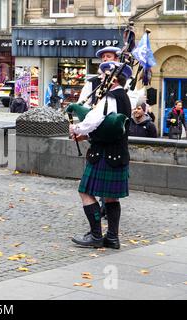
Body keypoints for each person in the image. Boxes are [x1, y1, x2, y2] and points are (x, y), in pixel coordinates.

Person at [69, 61, 133, 250]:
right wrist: (87, 135)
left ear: (113, 79)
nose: (101, 79)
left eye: (105, 76)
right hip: (118, 154)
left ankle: (96, 235)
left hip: (103, 154)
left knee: (85, 192)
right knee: (112, 197)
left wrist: (76, 128)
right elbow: (108, 127)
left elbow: (93, 120)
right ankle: (112, 238)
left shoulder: (110, 97)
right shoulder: (124, 97)